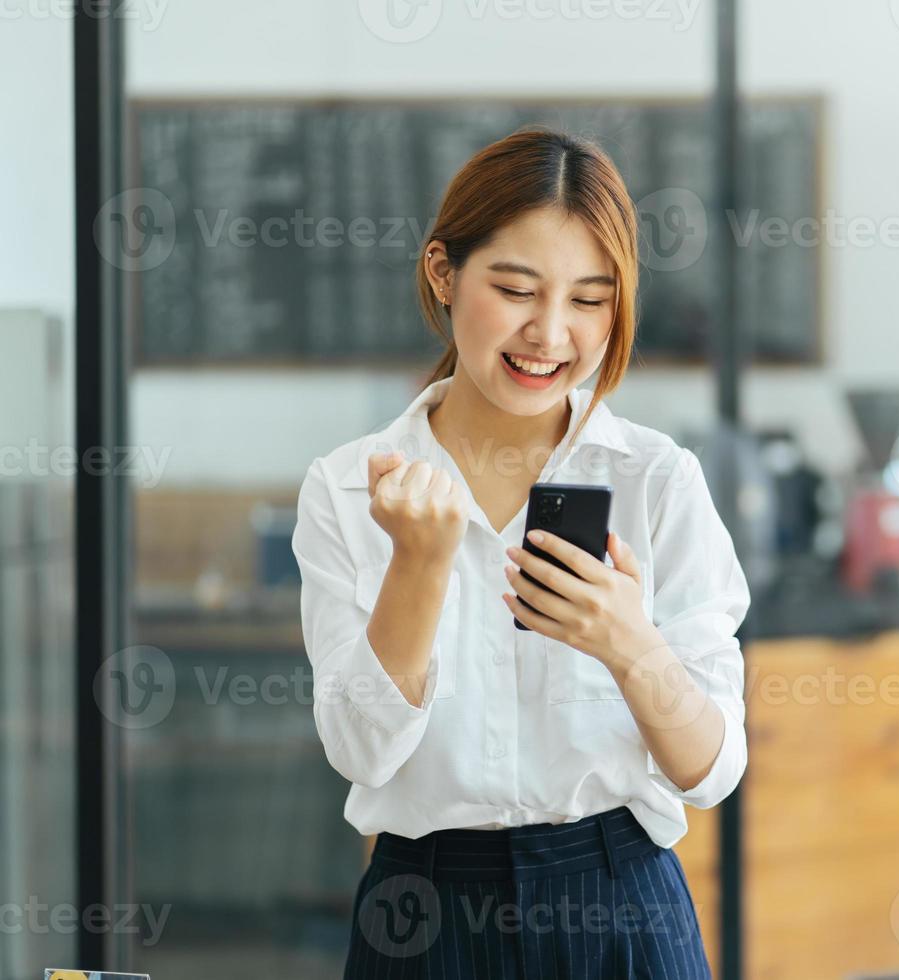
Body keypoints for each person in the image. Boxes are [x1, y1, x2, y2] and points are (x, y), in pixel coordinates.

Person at [290, 128, 750, 978]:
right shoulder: (350, 488)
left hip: (621, 905)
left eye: (590, 299)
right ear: (443, 273)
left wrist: (629, 641)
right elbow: (360, 752)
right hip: (422, 916)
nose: (550, 333)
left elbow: (711, 769)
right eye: (516, 289)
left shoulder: (656, 480)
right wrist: (419, 566)